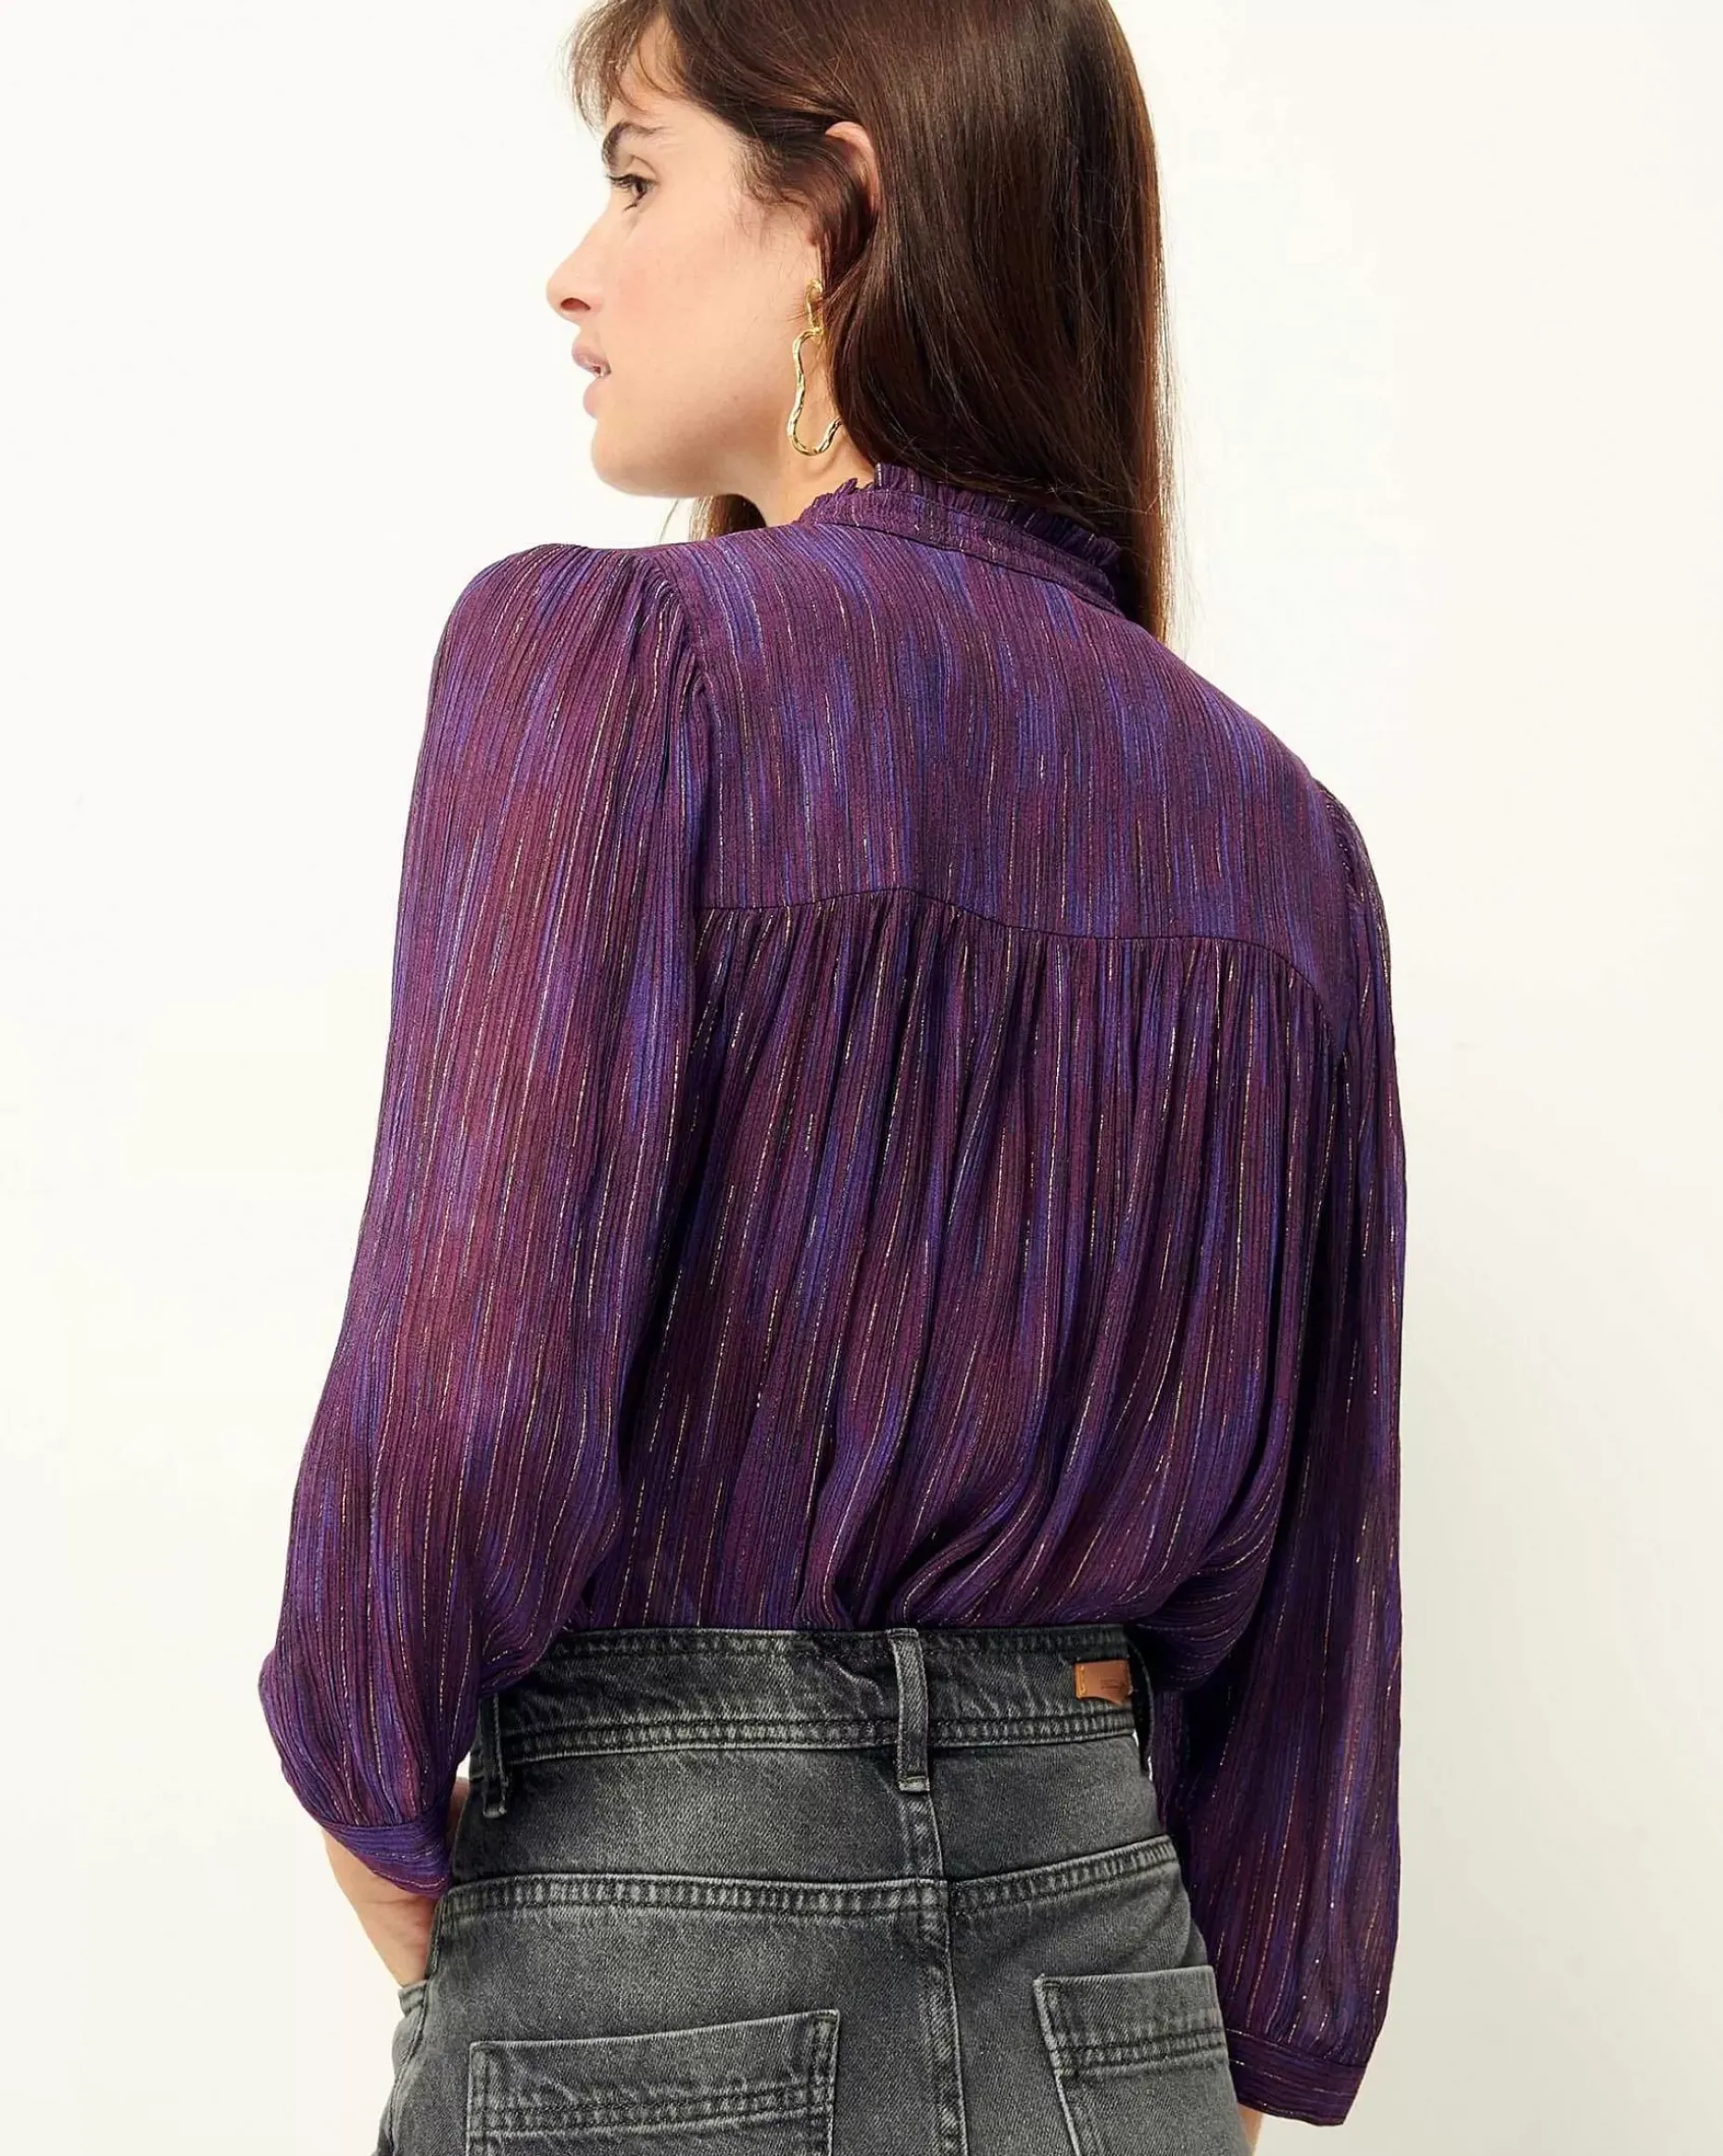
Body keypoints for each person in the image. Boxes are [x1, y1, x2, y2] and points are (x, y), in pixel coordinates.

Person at [258, 4, 1406, 2150]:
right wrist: (1227, 2032)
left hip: (659, 1931)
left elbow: (470, 1381)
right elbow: (1314, 1587)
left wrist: (375, 1782)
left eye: (635, 178)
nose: (574, 273)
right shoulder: (1279, 839)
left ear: (841, 213)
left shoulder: (620, 675)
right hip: (1117, 1992)